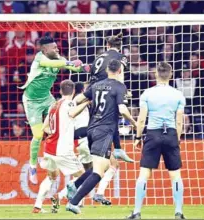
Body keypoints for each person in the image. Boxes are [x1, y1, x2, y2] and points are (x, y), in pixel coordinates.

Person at [65, 59, 136, 214]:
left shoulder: (96, 85)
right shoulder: (119, 86)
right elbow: (123, 110)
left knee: (102, 166)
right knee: (99, 172)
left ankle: (75, 185)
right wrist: (134, 123)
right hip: (104, 131)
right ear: (119, 71)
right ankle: (74, 201)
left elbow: (77, 99)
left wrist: (81, 102)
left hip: (92, 130)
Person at [19, 36, 88, 185]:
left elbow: (71, 67)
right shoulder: (40, 58)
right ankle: (32, 166)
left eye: (57, 47)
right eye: (53, 47)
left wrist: (82, 66)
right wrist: (68, 62)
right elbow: (53, 63)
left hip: (47, 98)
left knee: (64, 119)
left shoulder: (58, 58)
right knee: (38, 135)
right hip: (31, 102)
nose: (57, 49)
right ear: (44, 49)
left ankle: (64, 151)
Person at [127, 62, 186, 219]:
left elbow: (141, 119)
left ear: (156, 75)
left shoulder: (147, 93)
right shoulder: (178, 94)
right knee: (175, 175)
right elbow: (179, 121)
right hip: (171, 133)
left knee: (144, 174)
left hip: (153, 134)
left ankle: (137, 212)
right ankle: (178, 212)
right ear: (171, 75)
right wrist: (177, 139)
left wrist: (138, 137)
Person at [32, 80, 89, 213]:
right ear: (73, 91)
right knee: (85, 175)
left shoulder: (53, 105)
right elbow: (73, 113)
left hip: (49, 148)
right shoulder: (70, 103)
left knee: (51, 177)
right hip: (62, 150)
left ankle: (38, 206)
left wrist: (54, 133)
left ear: (60, 91)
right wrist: (87, 102)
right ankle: (66, 197)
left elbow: (44, 127)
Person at [87, 32, 133, 163]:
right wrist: (122, 91)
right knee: (112, 117)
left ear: (107, 45)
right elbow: (120, 74)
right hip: (108, 90)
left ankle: (111, 149)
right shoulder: (120, 57)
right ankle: (116, 149)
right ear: (120, 46)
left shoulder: (98, 57)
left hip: (93, 92)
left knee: (96, 119)